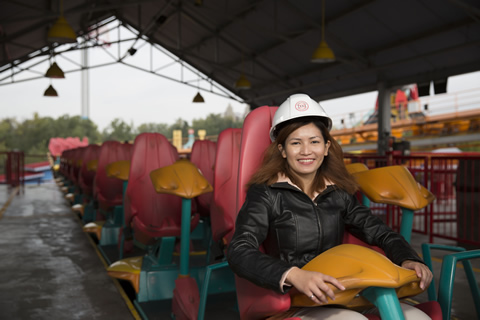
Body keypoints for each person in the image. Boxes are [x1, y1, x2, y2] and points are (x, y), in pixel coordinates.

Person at [227, 93, 433, 319]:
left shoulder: (338, 192)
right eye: (296, 143)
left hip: (347, 291)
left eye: (314, 142)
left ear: (326, 148)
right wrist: (294, 275)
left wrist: (409, 258)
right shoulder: (265, 193)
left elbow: (381, 233)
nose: (306, 151)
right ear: (282, 150)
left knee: (416, 317)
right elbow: (239, 250)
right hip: (301, 299)